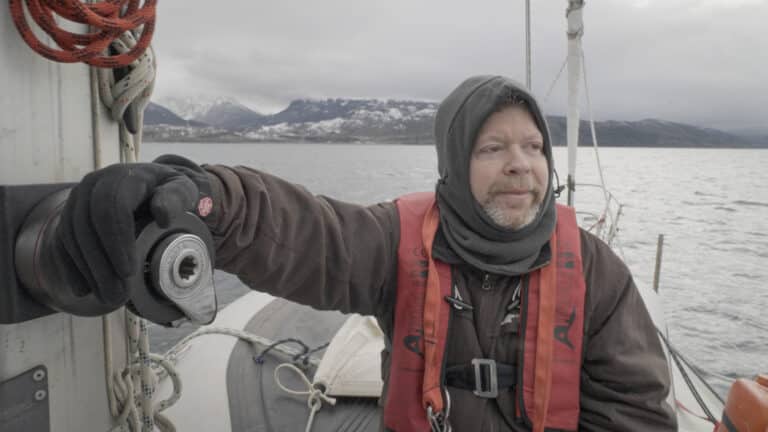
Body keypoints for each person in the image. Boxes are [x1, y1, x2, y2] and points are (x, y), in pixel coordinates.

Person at [57, 75, 676, 431]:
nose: (520, 165)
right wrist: (206, 200)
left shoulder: (596, 272)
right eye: (492, 149)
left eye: (534, 147)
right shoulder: (399, 242)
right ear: (455, 166)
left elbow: (634, 412)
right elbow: (306, 233)